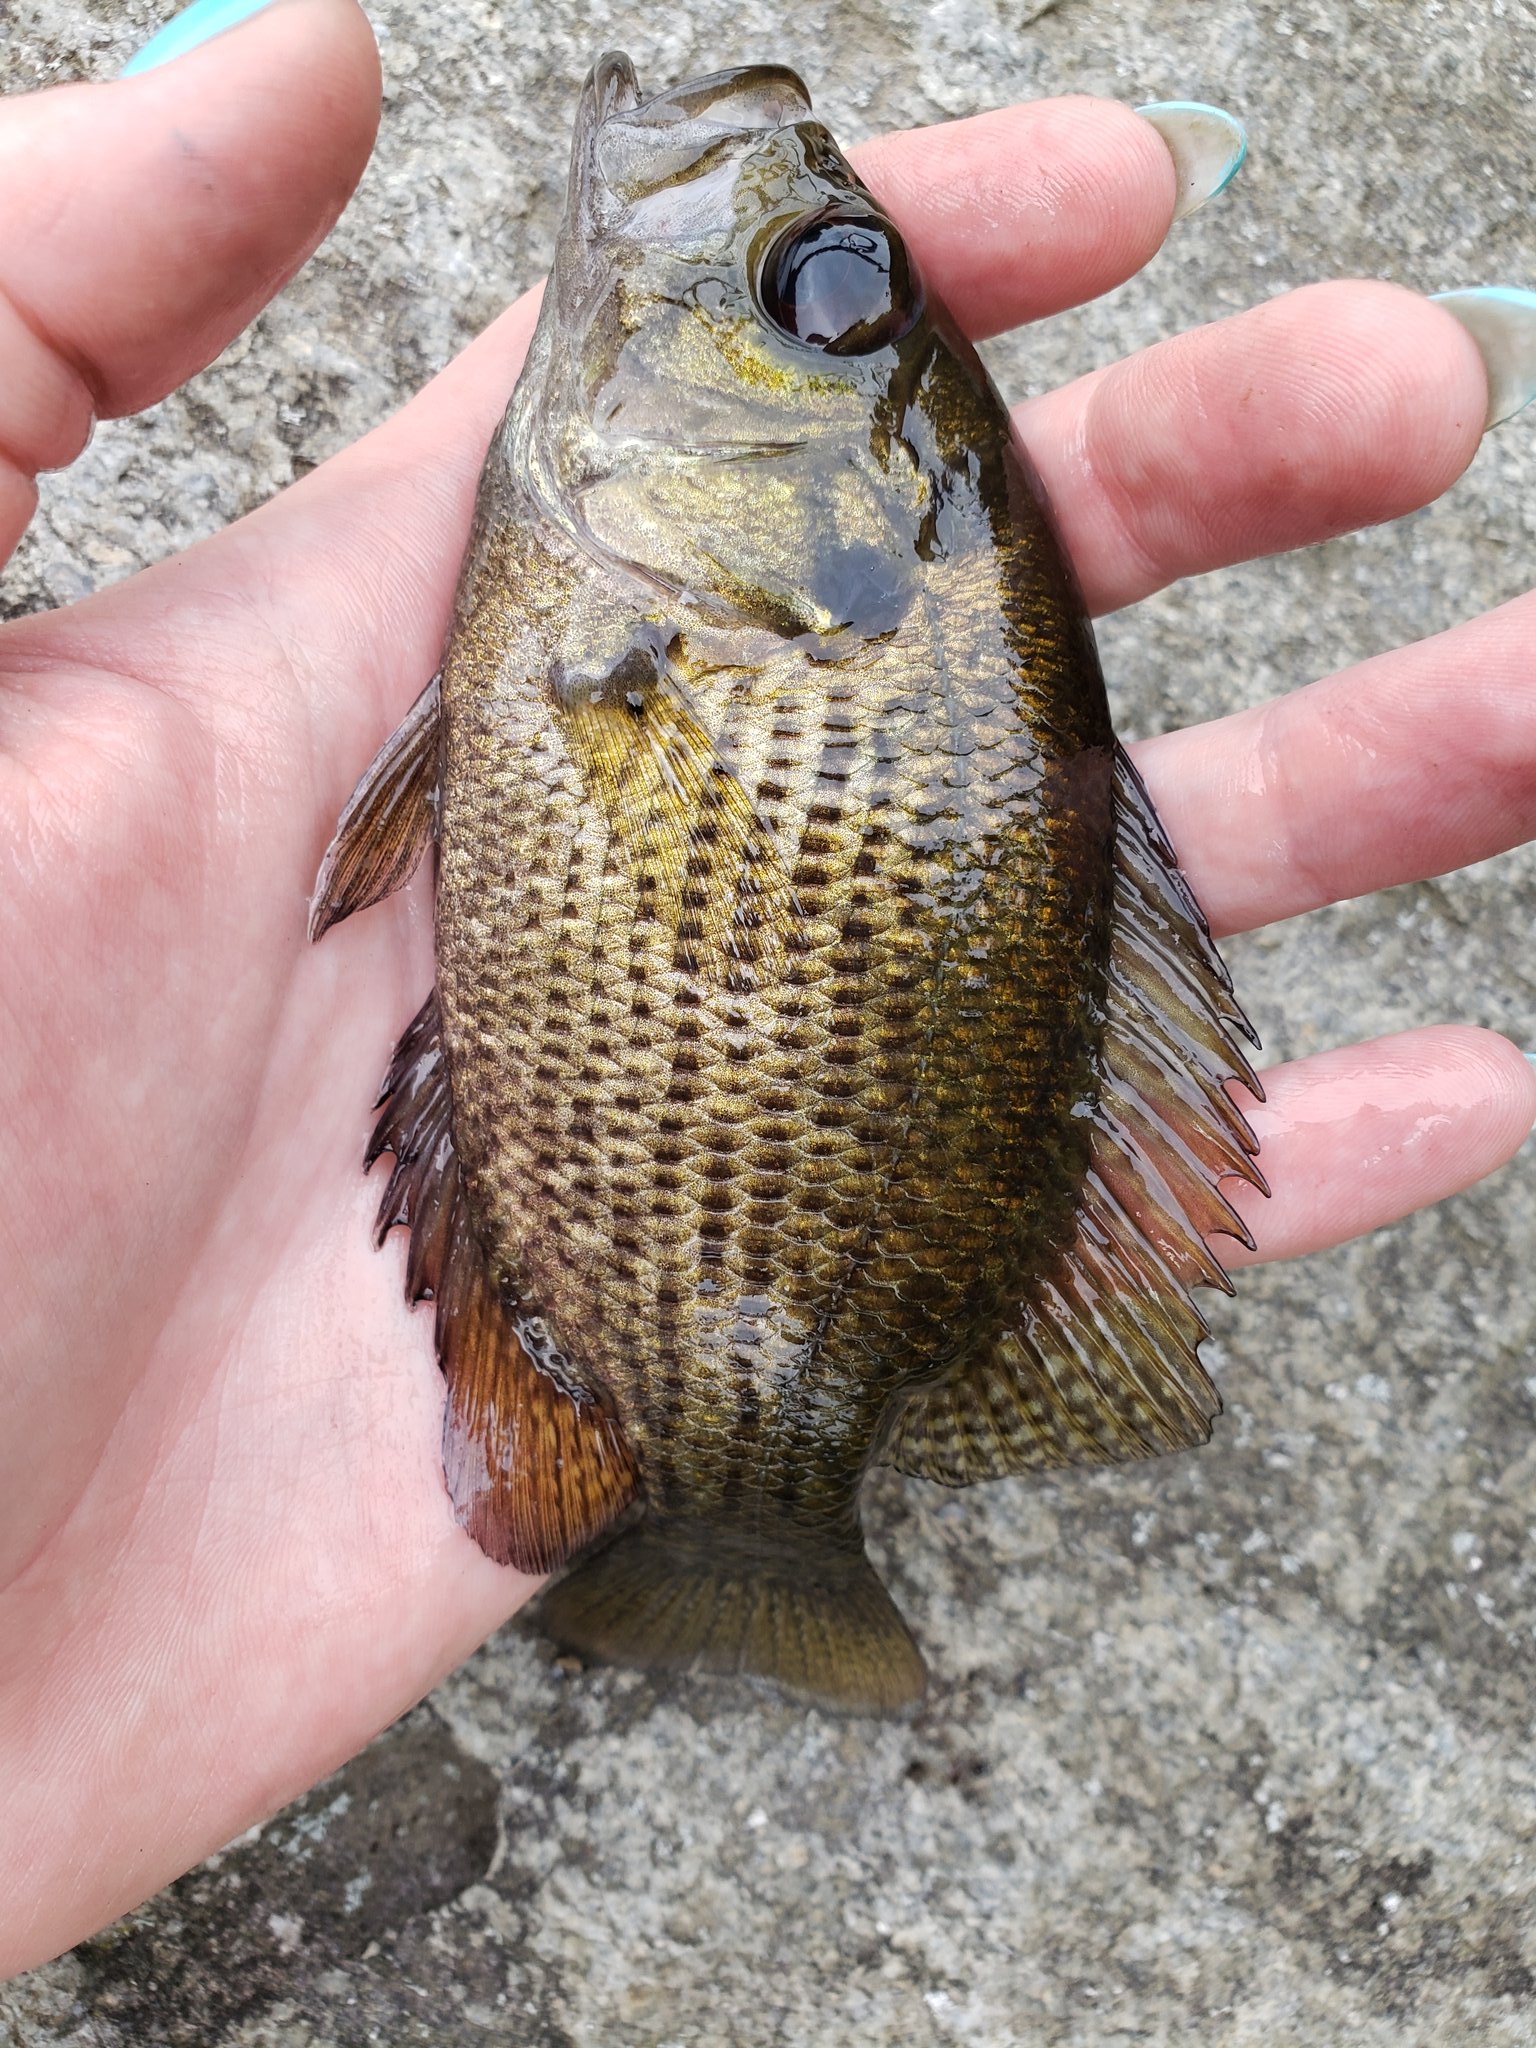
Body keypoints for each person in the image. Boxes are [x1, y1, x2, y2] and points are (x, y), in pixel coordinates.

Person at [1, 0, 1532, 1979]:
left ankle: (744, 1520)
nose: (800, 249)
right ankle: (727, 1510)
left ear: (851, 545)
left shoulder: (684, 592)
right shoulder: (692, 584)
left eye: (818, 295)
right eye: (829, 286)